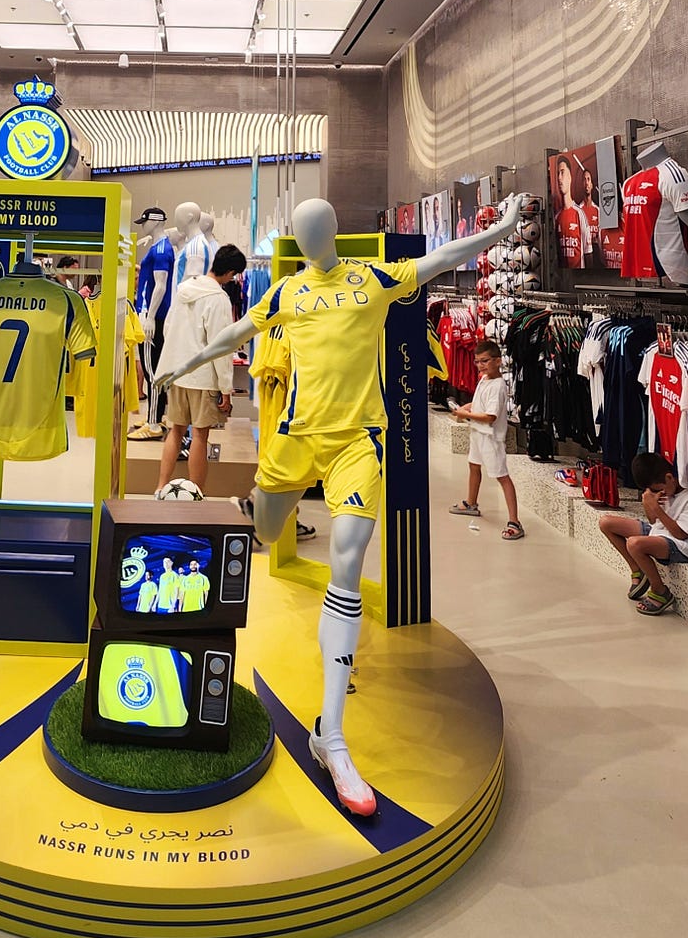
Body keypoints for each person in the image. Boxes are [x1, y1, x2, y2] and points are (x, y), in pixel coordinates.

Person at [155, 192, 527, 819]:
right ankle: (259, 509)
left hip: (358, 441)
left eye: (317, 228)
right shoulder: (287, 290)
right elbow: (240, 333)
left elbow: (442, 258)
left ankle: (330, 734)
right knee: (266, 528)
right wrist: (187, 362)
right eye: (303, 231)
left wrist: (505, 228)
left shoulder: (372, 278)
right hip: (295, 439)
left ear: (332, 230)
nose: (310, 238)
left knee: (347, 562)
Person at [153, 242, 246, 496]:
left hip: (178, 373)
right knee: (200, 437)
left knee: (175, 431)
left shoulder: (183, 290)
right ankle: (196, 493)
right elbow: (221, 346)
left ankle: (160, 487)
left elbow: (168, 328)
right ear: (230, 273)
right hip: (203, 377)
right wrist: (226, 388)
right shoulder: (218, 299)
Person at [598, 449, 688, 616]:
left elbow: (681, 534)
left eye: (657, 489)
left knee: (634, 544)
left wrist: (656, 508)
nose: (657, 493)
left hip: (682, 546)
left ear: (669, 478)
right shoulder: (665, 490)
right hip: (660, 532)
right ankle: (638, 569)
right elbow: (653, 521)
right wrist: (648, 504)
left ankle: (660, 591)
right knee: (606, 523)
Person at [448, 340, 524, 540]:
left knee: (502, 476)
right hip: (478, 433)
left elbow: (490, 416)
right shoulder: (484, 380)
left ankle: (515, 521)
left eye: (485, 361)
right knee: (473, 466)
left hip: (491, 438)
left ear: (498, 361)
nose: (480, 365)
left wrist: (465, 415)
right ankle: (471, 502)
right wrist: (464, 408)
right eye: (477, 362)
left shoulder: (498, 386)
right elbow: (478, 403)